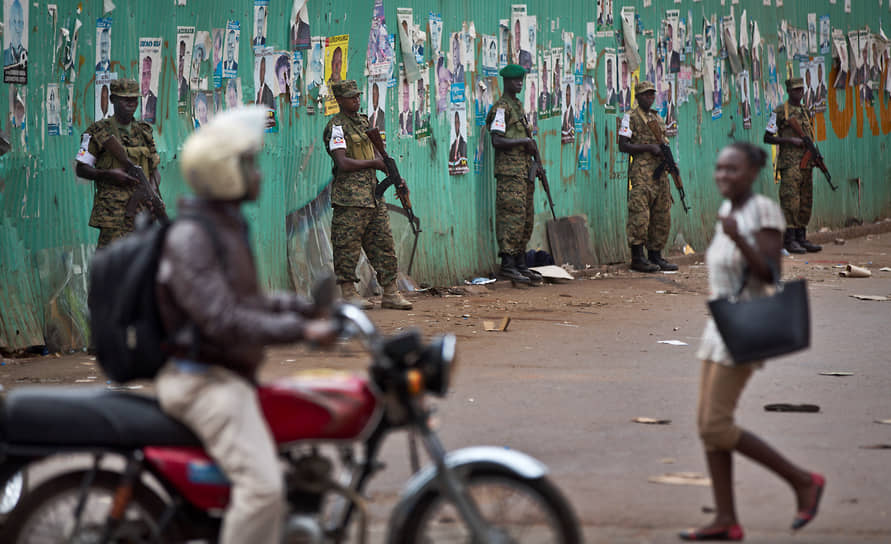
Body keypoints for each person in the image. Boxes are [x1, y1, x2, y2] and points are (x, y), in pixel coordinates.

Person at [154, 106, 340, 544]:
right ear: (224, 173)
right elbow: (222, 318)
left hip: (227, 375)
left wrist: (302, 309)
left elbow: (251, 301)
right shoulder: (193, 237)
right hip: (203, 383)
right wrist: (303, 331)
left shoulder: (226, 226)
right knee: (263, 489)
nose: (258, 175)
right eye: (249, 165)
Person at [679, 142, 825, 541]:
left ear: (751, 173)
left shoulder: (762, 212)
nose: (723, 175)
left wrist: (739, 239)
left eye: (733, 169)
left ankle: (802, 481)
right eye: (720, 168)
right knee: (707, 425)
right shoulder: (728, 210)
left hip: (746, 326)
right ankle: (726, 518)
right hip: (721, 324)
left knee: (715, 425)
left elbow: (768, 274)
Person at [322, 80, 413, 310]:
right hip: (350, 199)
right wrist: (374, 163)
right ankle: (348, 293)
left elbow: (379, 154)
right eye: (351, 97)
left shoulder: (364, 122)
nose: (356, 99)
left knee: (383, 244)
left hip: (373, 195)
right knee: (347, 246)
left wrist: (395, 176)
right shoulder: (336, 127)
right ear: (340, 100)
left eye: (357, 96)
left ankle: (391, 292)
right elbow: (342, 161)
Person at [74, 79, 164, 248]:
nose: (131, 104)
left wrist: (151, 192)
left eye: (134, 100)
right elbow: (81, 169)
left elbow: (155, 171)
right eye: (125, 100)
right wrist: (108, 175)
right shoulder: (98, 131)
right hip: (112, 213)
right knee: (111, 265)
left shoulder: (144, 132)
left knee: (142, 265)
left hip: (142, 213)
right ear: (113, 99)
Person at [484, 64, 542, 285]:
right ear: (506, 82)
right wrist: (524, 142)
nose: (519, 83)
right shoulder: (502, 107)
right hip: (509, 174)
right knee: (511, 217)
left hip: (522, 171)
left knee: (525, 218)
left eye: (521, 79)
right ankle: (507, 264)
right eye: (515, 80)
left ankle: (519, 262)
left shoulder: (517, 105)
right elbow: (496, 140)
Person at [617, 81, 678, 273]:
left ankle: (655, 255)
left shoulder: (657, 118)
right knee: (640, 216)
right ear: (637, 97)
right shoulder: (630, 117)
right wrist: (648, 148)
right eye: (645, 95)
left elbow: (664, 144)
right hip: (642, 174)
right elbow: (623, 145)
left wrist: (671, 164)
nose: (649, 98)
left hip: (660, 174)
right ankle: (638, 257)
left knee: (662, 214)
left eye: (652, 95)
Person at [763, 78, 822, 254]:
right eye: (796, 90)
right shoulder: (780, 112)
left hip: (806, 163)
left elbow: (810, 137)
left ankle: (801, 237)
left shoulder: (805, 111)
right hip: (789, 164)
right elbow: (767, 137)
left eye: (801, 90)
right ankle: (788, 240)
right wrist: (789, 140)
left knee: (805, 200)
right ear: (789, 91)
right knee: (790, 201)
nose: (799, 93)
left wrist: (816, 155)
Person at [3, 0, 26, 68]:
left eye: (19, 22)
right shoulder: (2, 57)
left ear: (23, 25)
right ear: (9, 24)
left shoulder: (29, 56)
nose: (17, 28)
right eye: (14, 22)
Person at [141, 56, 157, 123]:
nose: (146, 80)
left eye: (148, 74)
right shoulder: (132, 100)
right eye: (143, 74)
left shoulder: (156, 101)